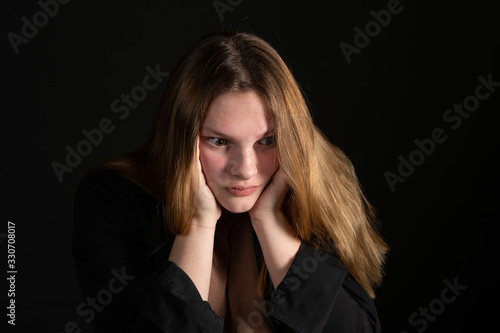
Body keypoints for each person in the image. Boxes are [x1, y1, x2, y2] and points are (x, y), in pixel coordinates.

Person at [72, 31, 388, 332]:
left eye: (268, 141)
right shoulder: (114, 197)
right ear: (181, 139)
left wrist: (269, 221)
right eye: (220, 142)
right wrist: (198, 222)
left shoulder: (322, 182)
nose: (245, 170)